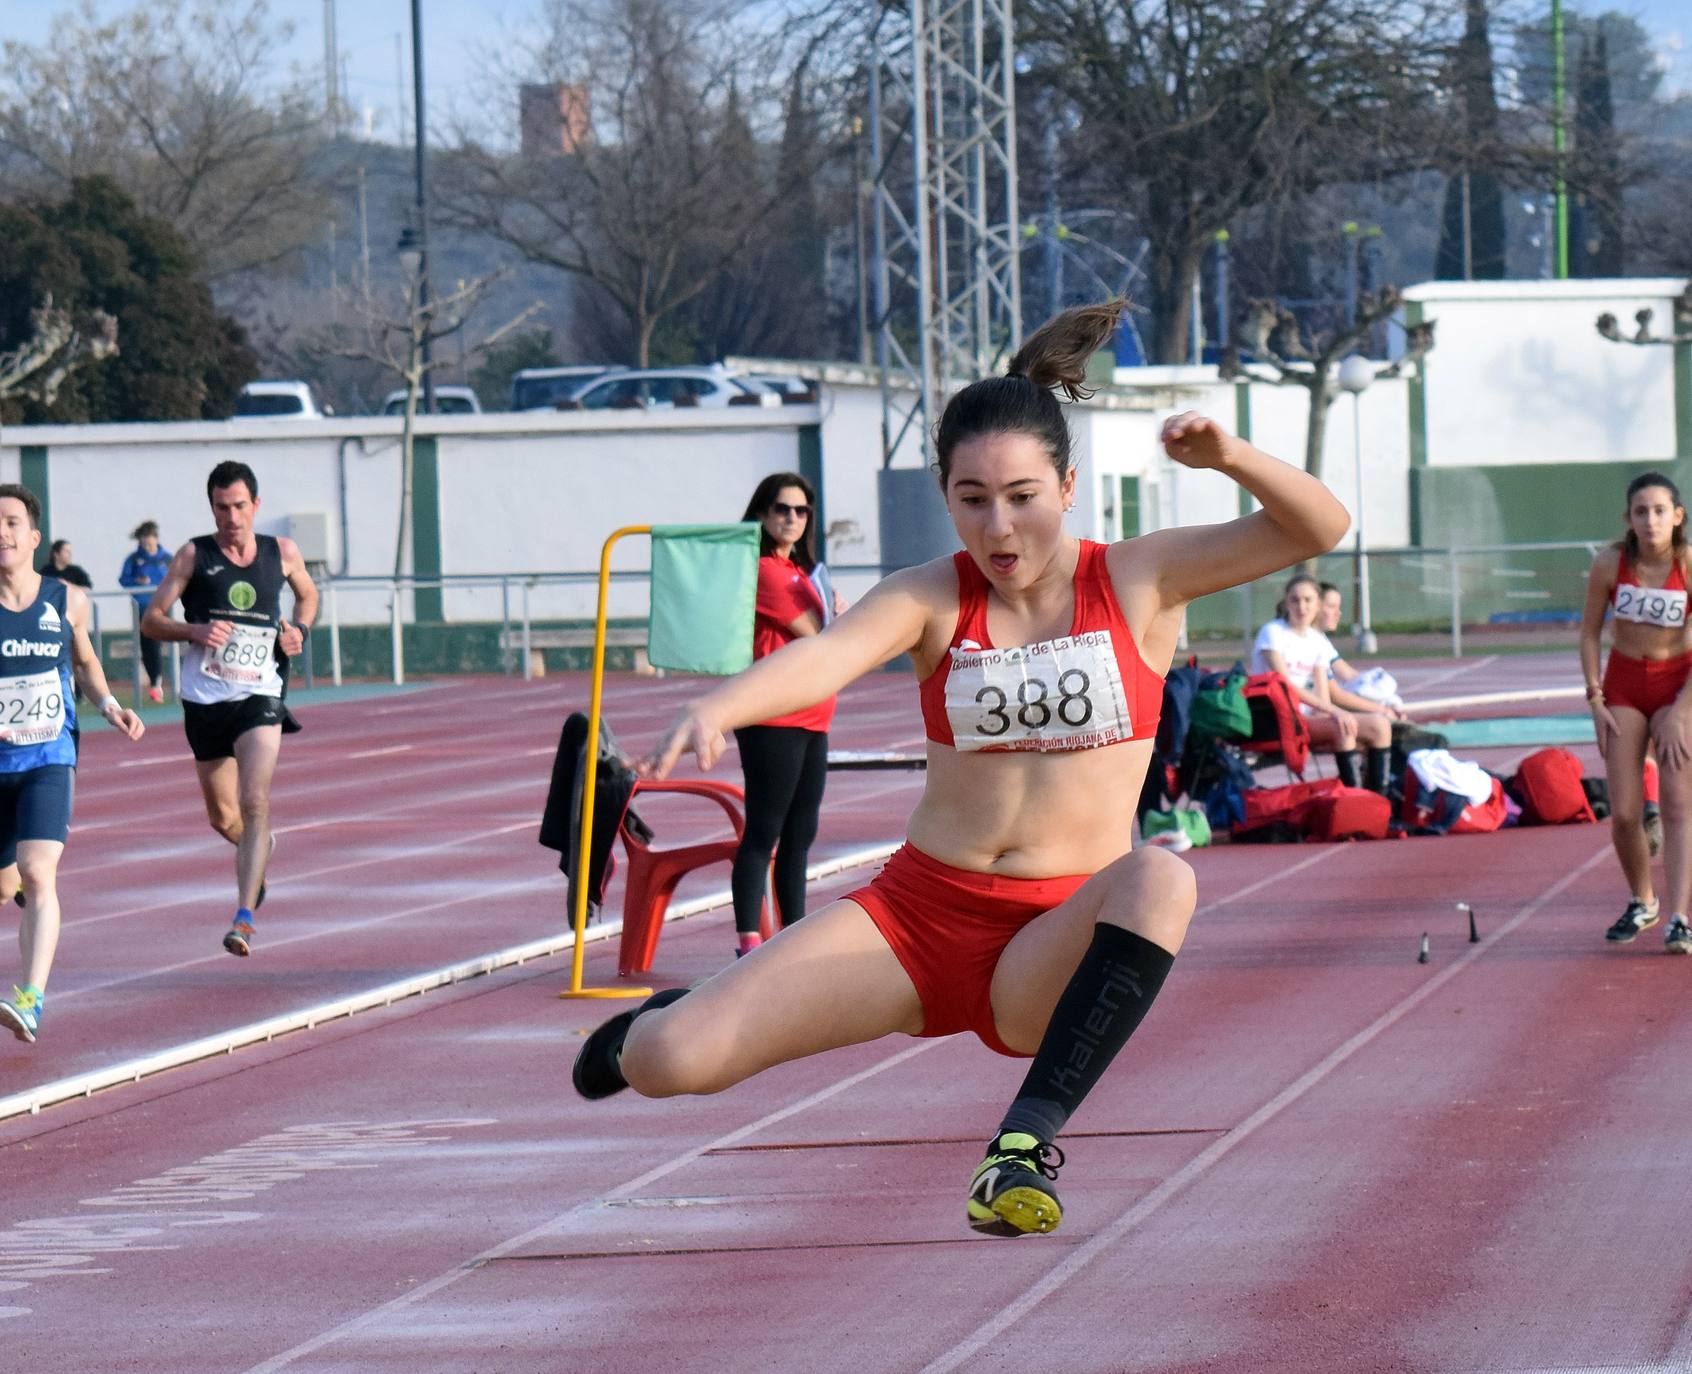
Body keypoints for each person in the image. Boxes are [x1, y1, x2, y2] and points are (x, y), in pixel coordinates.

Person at [571, 299, 1349, 1239]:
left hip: (1050, 945)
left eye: (1022, 495)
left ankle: (1021, 1147)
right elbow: (825, 657)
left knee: (1162, 876)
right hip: (914, 921)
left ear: (1066, 486)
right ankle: (657, 1022)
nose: (1000, 524)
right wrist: (717, 706)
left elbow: (1318, 526)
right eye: (973, 499)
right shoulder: (931, 596)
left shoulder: (1141, 579)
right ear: (946, 496)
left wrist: (1230, 455)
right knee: (669, 1062)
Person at [142, 461, 318, 957]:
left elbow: (308, 596)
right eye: (222, 507)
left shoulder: (281, 552)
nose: (232, 516)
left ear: (256, 505)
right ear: (212, 508)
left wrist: (299, 631)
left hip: (260, 696)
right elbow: (152, 621)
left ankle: (243, 916)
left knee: (254, 800)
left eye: (240, 506)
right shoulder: (193, 555)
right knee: (223, 818)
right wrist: (192, 630)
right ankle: (258, 851)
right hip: (205, 701)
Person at [0, 485, 145, 1043]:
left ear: (33, 538)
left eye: (12, 522)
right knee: (7, 883)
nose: (2, 532)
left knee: (39, 872)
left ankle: (30, 999)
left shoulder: (67, 600)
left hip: (47, 757)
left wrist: (109, 704)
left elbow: (84, 661)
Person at [729, 473, 840, 959]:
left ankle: (791, 938)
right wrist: (841, 619)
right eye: (781, 509)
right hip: (774, 717)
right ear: (761, 513)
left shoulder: (799, 569)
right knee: (764, 832)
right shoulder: (765, 571)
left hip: (813, 715)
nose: (791, 519)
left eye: (801, 511)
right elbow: (817, 634)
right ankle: (748, 943)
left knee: (800, 836)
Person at [1580, 472, 1692, 952]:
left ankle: (1680, 917)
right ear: (1629, 518)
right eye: (1641, 511)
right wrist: (1595, 697)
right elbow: (1588, 634)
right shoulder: (1610, 563)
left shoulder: (1687, 563)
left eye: (1660, 511)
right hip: (1624, 685)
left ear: (1677, 516)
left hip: (1678, 685)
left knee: (1676, 803)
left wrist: (1682, 712)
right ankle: (1642, 901)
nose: (1650, 520)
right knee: (1625, 813)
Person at [1251, 573, 1393, 792]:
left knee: (1380, 726)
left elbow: (1322, 693)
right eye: (1295, 600)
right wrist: (1336, 712)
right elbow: (1285, 685)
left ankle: (1379, 806)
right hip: (1278, 719)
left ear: (1317, 604)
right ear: (1286, 602)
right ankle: (1354, 802)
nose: (1301, 606)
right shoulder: (1273, 633)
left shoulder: (1317, 641)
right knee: (1343, 727)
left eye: (1308, 600)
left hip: (1308, 719)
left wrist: (1332, 712)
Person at [1316, 581, 1408, 720]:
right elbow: (1336, 696)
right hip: (1310, 715)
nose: (1338, 613)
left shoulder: (1319, 639)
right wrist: (1383, 710)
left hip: (1319, 711)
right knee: (1379, 727)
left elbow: (1351, 675)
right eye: (1331, 606)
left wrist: (1389, 700)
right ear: (1315, 607)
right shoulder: (1305, 642)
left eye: (1338, 607)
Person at [119, 521, 172, 704]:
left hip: (165, 607)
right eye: (144, 544)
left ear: (156, 540)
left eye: (150, 543)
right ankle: (156, 683)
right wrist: (138, 582)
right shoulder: (134, 559)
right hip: (144, 609)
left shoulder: (167, 559)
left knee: (167, 643)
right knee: (149, 645)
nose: (147, 547)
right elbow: (124, 580)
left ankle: (173, 684)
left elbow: (177, 579)